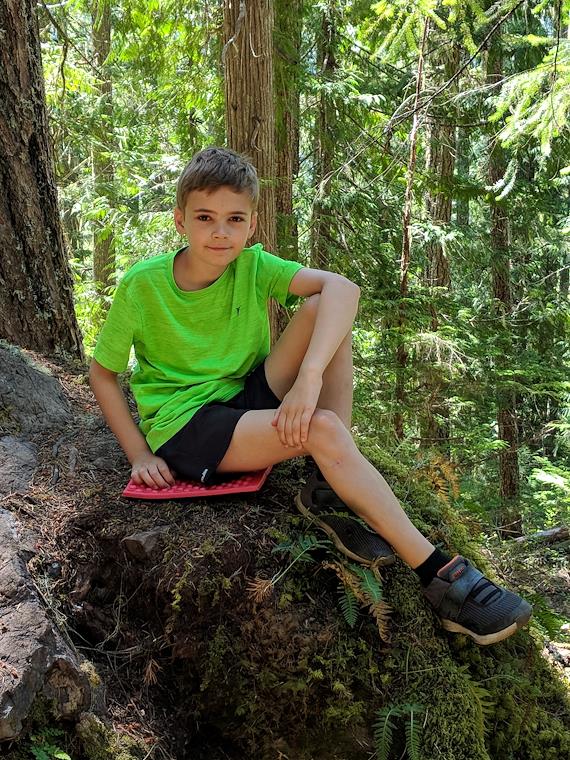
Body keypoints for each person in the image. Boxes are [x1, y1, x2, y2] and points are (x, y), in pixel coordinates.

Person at [90, 146, 532, 646]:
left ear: (252, 225)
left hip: (243, 396)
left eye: (235, 219)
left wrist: (310, 377)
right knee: (321, 428)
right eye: (205, 217)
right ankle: (440, 576)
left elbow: (344, 289)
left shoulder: (252, 266)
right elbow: (102, 374)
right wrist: (139, 454)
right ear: (180, 220)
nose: (220, 232)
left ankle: (327, 484)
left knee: (325, 311)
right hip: (187, 424)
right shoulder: (142, 285)